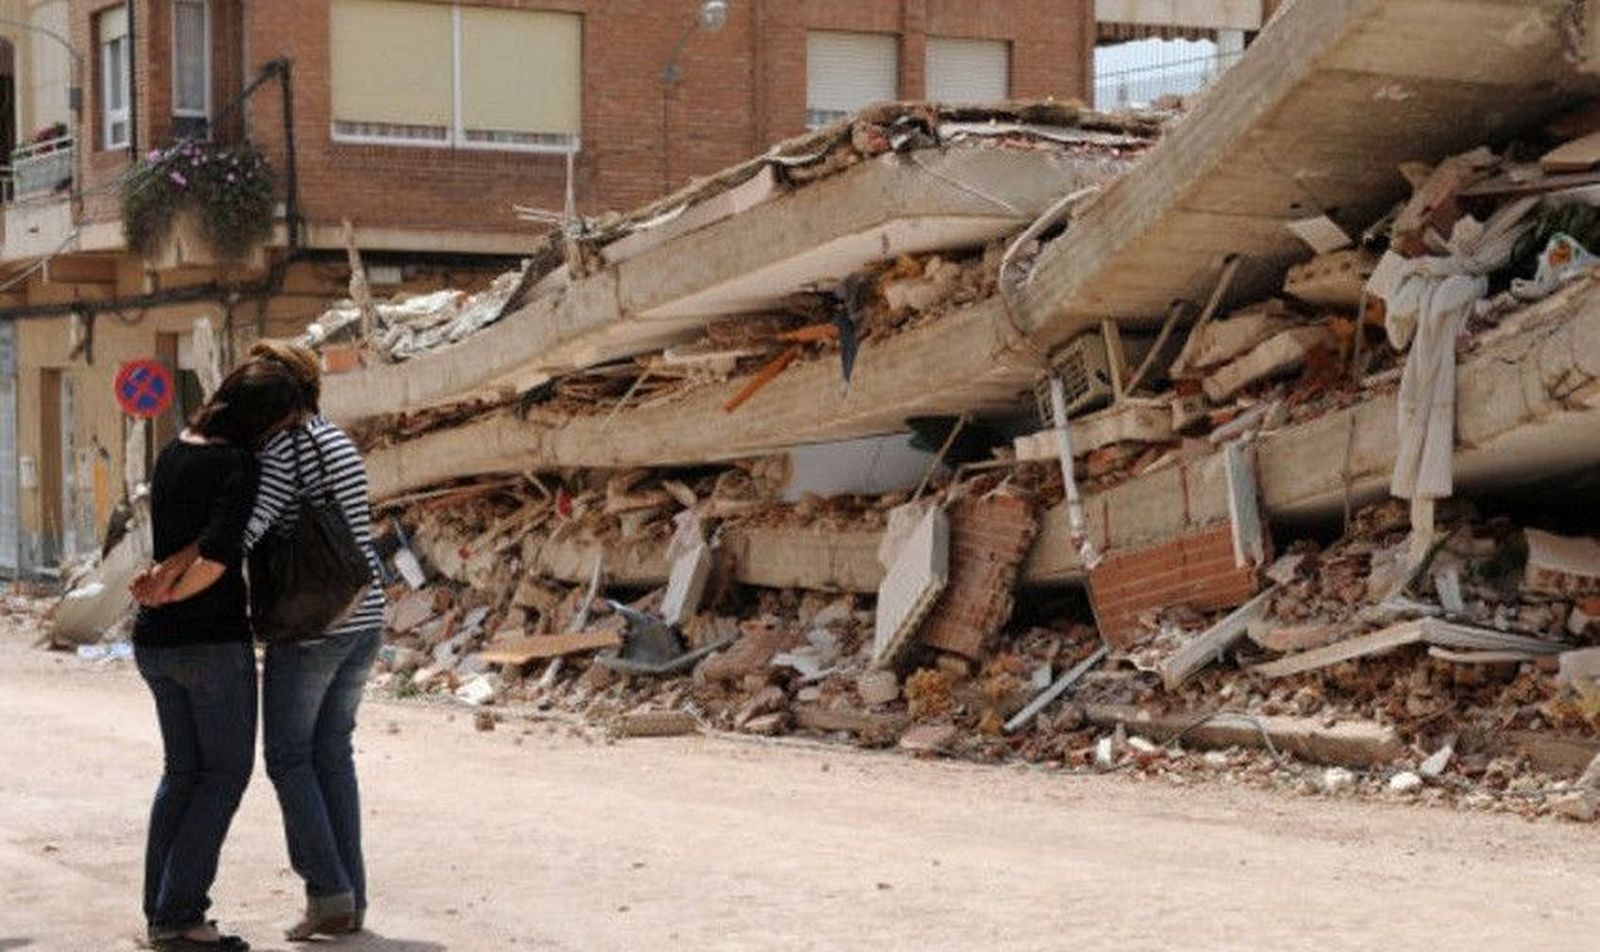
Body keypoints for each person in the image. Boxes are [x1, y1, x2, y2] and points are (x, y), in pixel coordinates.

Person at [130, 360, 303, 952]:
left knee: (182, 773)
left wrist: (158, 593)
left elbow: (193, 540)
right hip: (207, 641)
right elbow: (218, 557)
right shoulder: (239, 463)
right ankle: (181, 916)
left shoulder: (176, 447)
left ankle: (160, 908)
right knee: (224, 775)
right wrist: (172, 589)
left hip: (155, 643)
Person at [243, 340, 386, 941]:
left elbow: (249, 531)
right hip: (364, 612)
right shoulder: (335, 439)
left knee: (289, 758)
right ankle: (349, 894)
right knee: (332, 756)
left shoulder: (282, 450)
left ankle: (328, 894)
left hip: (311, 626)